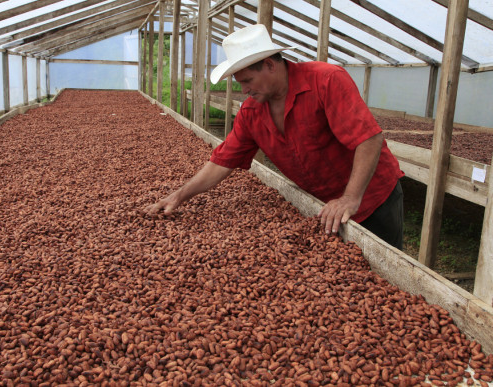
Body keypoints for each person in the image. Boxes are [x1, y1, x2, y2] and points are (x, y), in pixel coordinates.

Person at [146, 24, 405, 250]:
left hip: (373, 198)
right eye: (240, 83)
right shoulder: (251, 112)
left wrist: (350, 198)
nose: (244, 89)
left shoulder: (326, 80)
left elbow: (369, 139)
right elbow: (222, 161)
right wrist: (179, 196)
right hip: (324, 206)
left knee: (383, 270)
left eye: (247, 80)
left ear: (270, 65)